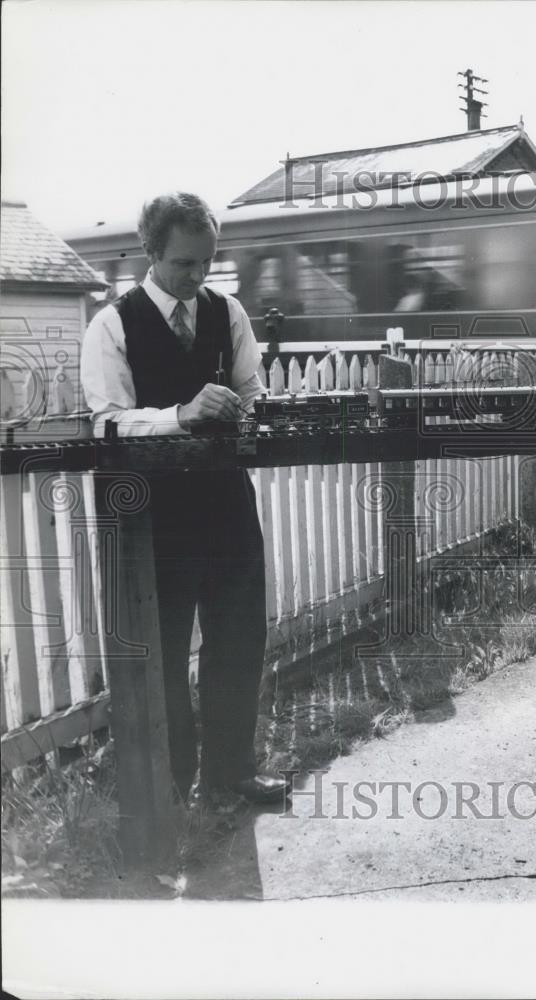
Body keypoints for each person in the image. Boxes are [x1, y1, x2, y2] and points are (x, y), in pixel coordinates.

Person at [81, 192, 288, 805]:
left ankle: (231, 775)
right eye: (184, 264)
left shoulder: (229, 313)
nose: (198, 277)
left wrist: (252, 415)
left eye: (207, 262)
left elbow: (251, 394)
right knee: (165, 651)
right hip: (153, 514)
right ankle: (172, 786)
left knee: (238, 638)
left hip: (227, 505)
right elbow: (108, 422)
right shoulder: (112, 325)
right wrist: (181, 415)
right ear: (151, 254)